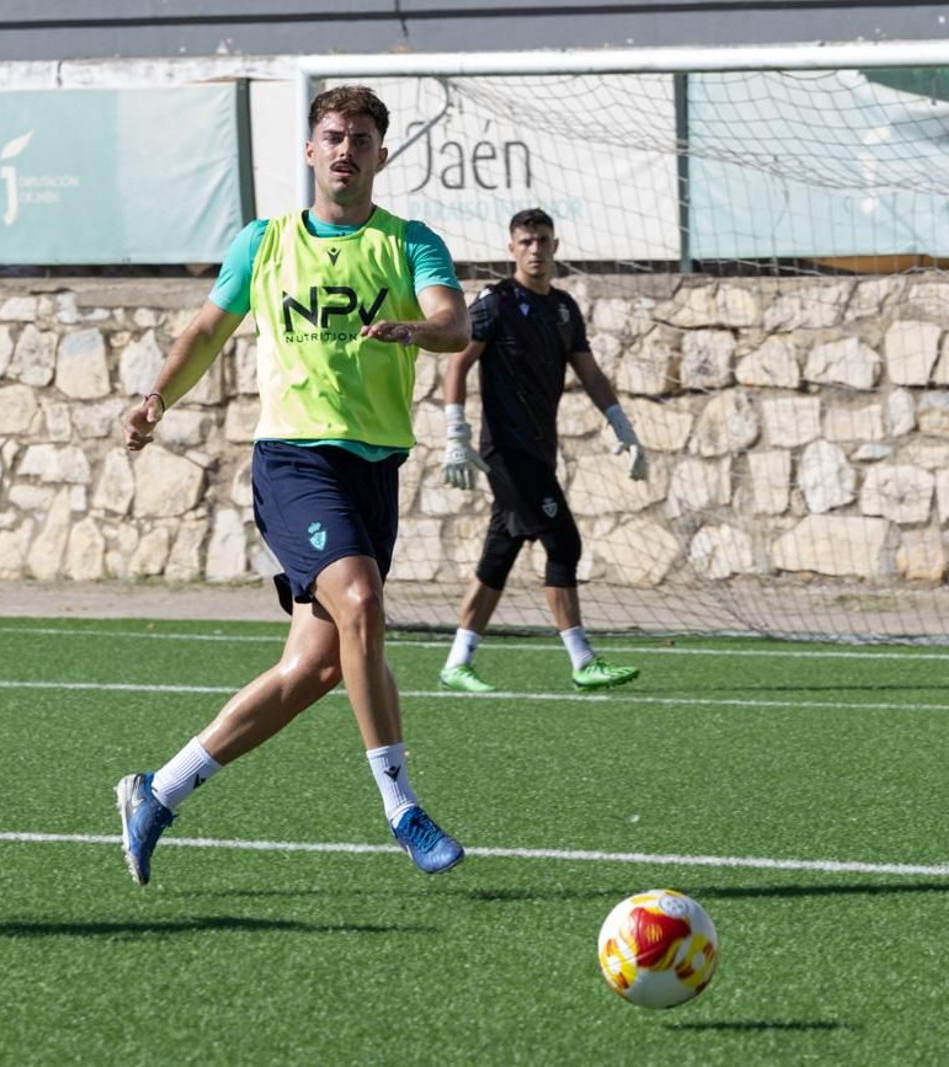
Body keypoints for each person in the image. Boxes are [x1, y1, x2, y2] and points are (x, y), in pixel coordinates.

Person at [114, 85, 471, 883]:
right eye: (334, 136)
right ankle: (402, 808)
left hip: (374, 469)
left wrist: (416, 328)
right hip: (295, 462)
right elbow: (207, 329)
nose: (346, 150)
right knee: (364, 600)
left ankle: (157, 790)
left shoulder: (411, 244)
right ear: (310, 151)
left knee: (313, 667)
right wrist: (155, 398)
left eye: (362, 140)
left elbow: (456, 323)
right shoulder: (266, 242)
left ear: (380, 155)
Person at [437, 207, 646, 694]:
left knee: (499, 555)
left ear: (556, 246)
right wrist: (456, 433)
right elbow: (457, 365)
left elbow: (589, 372)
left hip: (540, 449)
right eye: (525, 242)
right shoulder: (494, 303)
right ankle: (583, 659)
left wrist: (622, 426)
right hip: (507, 453)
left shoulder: (564, 308)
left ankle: (457, 662)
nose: (535, 249)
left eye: (543, 241)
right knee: (563, 542)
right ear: (511, 248)